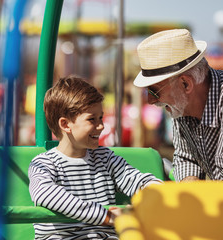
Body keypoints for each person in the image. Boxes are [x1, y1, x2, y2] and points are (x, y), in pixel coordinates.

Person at [28, 75, 162, 239]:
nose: (101, 126)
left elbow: (136, 179)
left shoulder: (105, 158)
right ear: (65, 124)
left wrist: (158, 192)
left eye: (101, 117)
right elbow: (45, 194)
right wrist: (105, 216)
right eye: (92, 119)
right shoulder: (44, 164)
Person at [133, 28, 223, 182]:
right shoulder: (182, 105)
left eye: (154, 91)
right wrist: (191, 188)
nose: (151, 100)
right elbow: (185, 158)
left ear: (185, 84)